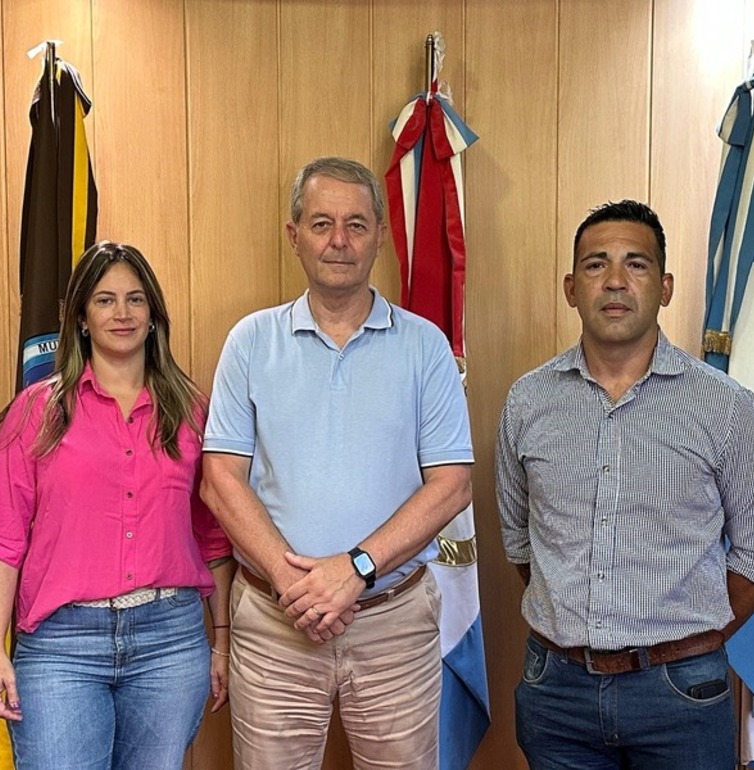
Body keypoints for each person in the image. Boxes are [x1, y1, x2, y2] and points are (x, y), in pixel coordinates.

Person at [201, 156, 473, 769]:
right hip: (275, 625)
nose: (339, 241)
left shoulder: (425, 346)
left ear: (381, 235)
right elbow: (220, 482)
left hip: (394, 622)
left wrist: (355, 570)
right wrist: (295, 583)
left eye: (356, 224)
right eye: (322, 223)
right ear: (293, 235)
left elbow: (452, 487)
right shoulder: (250, 341)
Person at [496, 200, 754, 769]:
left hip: (683, 693)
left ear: (664, 287)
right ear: (570, 286)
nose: (615, 281)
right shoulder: (527, 401)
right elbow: (520, 542)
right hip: (555, 692)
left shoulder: (727, 408)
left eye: (636, 265)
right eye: (596, 265)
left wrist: (691, 637)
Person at [0, 242, 235, 770]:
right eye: (104, 300)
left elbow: (214, 536)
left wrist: (222, 641)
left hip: (171, 642)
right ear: (80, 318)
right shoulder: (35, 414)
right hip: (59, 649)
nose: (122, 314)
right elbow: (1, 539)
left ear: (153, 315)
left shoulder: (192, 413)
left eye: (135, 300)